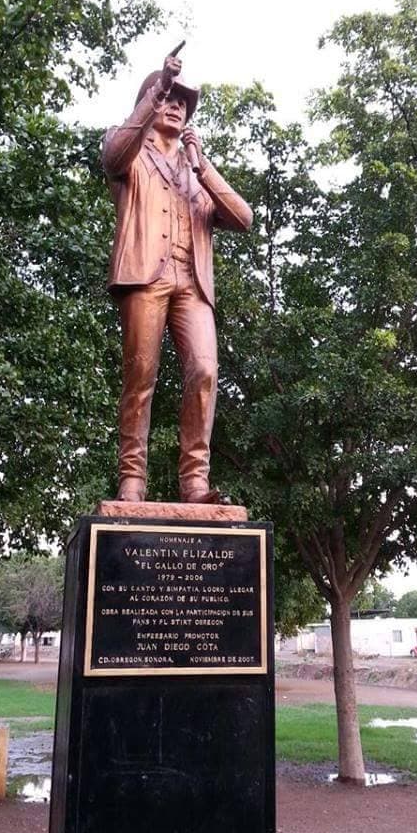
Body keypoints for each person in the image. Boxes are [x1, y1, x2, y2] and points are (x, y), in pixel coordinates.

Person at [102, 49, 253, 504]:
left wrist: (200, 163)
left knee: (205, 371)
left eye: (181, 103)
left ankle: (195, 484)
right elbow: (112, 157)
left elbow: (242, 218)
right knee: (141, 375)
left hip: (192, 285)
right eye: (168, 98)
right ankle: (132, 480)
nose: (175, 106)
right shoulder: (130, 153)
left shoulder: (197, 175)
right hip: (145, 277)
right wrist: (154, 92)